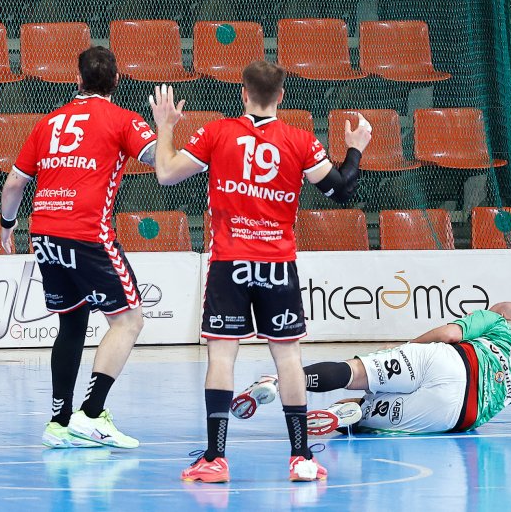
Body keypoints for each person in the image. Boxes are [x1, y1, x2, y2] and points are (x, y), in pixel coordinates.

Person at [148, 60, 372, 483]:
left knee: (221, 355)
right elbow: (342, 190)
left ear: (244, 93)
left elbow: (165, 173)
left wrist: (165, 125)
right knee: (288, 356)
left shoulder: (218, 132)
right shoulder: (300, 141)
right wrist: (356, 146)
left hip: (229, 262)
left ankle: (214, 459)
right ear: (281, 96)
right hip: (276, 264)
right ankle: (301, 457)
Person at [0, 46, 155, 449]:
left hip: (44, 234)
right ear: (117, 81)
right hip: (87, 235)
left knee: (72, 322)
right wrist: (168, 129)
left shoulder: (48, 122)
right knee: (128, 321)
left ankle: (58, 422)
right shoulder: (124, 120)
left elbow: (15, 182)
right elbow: (158, 158)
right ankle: (91, 414)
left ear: (79, 80)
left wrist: (7, 224)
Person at [233, 302, 511, 435]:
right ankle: (347, 415)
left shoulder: (496, 321)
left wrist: (410, 348)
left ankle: (274, 382)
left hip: (449, 361)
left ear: (503, 316)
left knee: (354, 372)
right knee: (365, 414)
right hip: (456, 414)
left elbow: (450, 335)